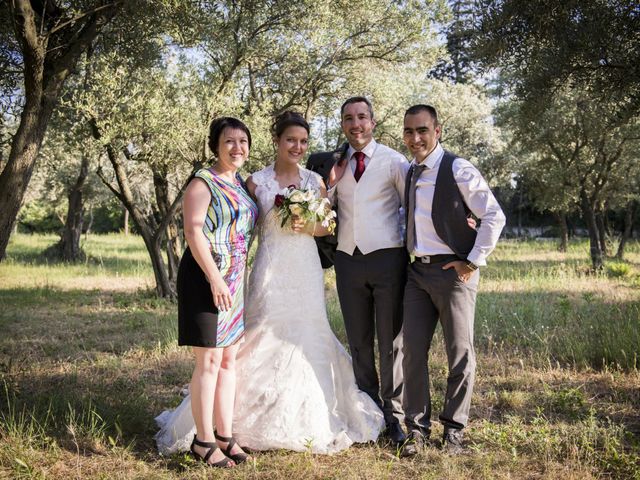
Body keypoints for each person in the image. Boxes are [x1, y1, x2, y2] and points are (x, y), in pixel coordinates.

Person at [155, 111, 384, 456]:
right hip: (267, 268)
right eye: (291, 139)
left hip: (304, 269)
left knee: (305, 336)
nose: (298, 146)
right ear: (276, 141)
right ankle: (218, 430)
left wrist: (308, 223)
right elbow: (242, 224)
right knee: (251, 338)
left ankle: (279, 422)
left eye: (304, 141)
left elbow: (326, 226)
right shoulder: (254, 182)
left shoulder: (313, 181)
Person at [400, 104, 506, 456]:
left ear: (437, 130)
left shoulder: (457, 168)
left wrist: (472, 261)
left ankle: (454, 431)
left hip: (453, 274)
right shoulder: (411, 171)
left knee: (459, 354)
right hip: (417, 273)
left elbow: (493, 215)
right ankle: (416, 430)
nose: (415, 138)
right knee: (412, 352)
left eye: (422, 131)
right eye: (409, 132)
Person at [155, 117, 258, 467]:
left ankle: (225, 436)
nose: (237, 147)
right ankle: (203, 440)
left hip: (234, 281)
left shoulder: (241, 183)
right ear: (215, 145)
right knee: (209, 361)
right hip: (206, 277)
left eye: (243, 141)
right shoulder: (203, 182)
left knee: (229, 359)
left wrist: (232, 280)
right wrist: (215, 279)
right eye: (229, 141)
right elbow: (193, 231)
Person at [320, 97, 410, 447]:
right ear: (343, 124)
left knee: (391, 343)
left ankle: (396, 416)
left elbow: (415, 208)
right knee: (358, 341)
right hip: (348, 261)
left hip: (388, 259)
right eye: (348, 118)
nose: (355, 124)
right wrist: (329, 183)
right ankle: (369, 410)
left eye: (361, 117)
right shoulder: (335, 164)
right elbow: (323, 209)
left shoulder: (394, 161)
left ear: (372, 122)